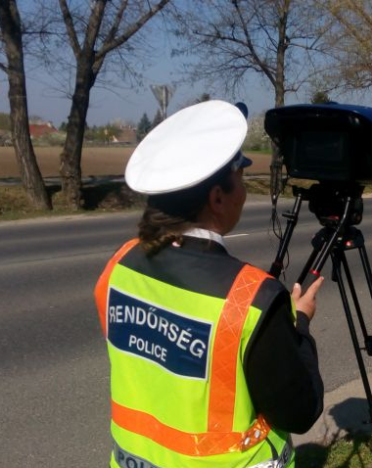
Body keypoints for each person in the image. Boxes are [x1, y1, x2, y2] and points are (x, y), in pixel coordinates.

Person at [94, 100, 324, 468]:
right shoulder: (251, 299)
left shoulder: (119, 265)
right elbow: (299, 411)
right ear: (218, 198)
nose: (244, 191)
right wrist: (301, 324)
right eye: (241, 180)